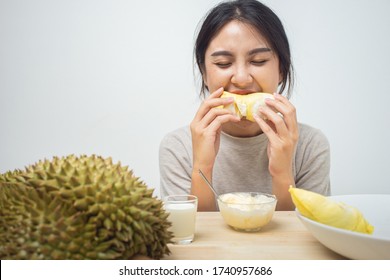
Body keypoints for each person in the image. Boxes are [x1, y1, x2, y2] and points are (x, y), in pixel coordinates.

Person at [159, 0, 330, 211]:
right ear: (203, 73)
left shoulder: (309, 146)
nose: (241, 78)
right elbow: (190, 237)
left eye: (258, 61)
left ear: (281, 70)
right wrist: (202, 167)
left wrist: (283, 172)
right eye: (223, 63)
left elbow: (304, 238)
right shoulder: (178, 147)